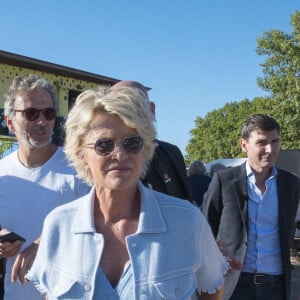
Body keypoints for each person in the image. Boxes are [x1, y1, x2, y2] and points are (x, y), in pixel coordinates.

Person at [26, 86, 227, 299]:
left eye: (132, 143)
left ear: (145, 149)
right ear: (81, 153)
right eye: (104, 145)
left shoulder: (187, 221)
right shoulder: (59, 225)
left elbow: (212, 291)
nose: (120, 155)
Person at [0, 74, 90, 300]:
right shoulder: (2, 173)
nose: (42, 121)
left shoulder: (79, 168)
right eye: (31, 113)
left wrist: (44, 244)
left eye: (49, 114)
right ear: (10, 121)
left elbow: (101, 228)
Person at [202, 113, 300, 300]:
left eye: (275, 142)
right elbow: (205, 230)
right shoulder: (224, 181)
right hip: (234, 285)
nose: (270, 149)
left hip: (276, 285)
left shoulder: (291, 184)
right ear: (244, 145)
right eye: (262, 142)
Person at [110, 80, 193, 201]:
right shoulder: (106, 156)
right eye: (122, 107)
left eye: (136, 105)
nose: (130, 114)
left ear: (152, 110)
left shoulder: (171, 153)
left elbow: (185, 200)